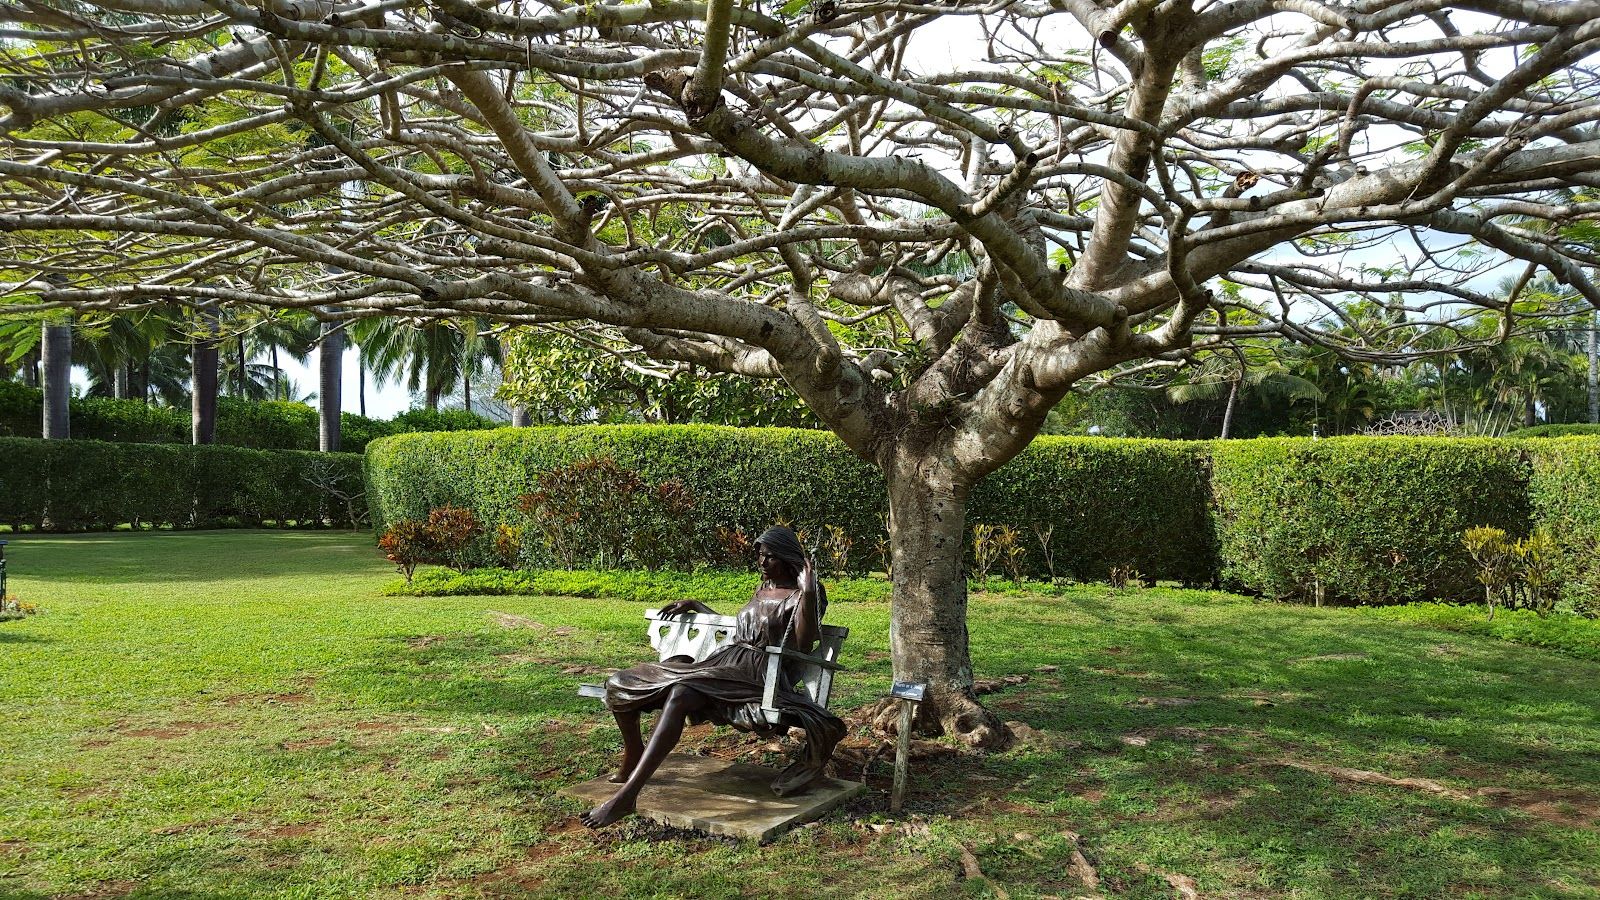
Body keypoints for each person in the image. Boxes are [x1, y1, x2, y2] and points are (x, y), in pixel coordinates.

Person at [580, 525, 846, 828]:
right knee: (624, 682)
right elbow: (744, 626)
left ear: (787, 559)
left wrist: (809, 591)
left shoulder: (803, 595)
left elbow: (803, 641)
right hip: (726, 662)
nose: (762, 562)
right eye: (760, 555)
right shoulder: (762, 588)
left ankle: (626, 797)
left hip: (757, 675)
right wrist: (697, 606)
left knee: (680, 691)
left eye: (770, 557)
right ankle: (634, 753)